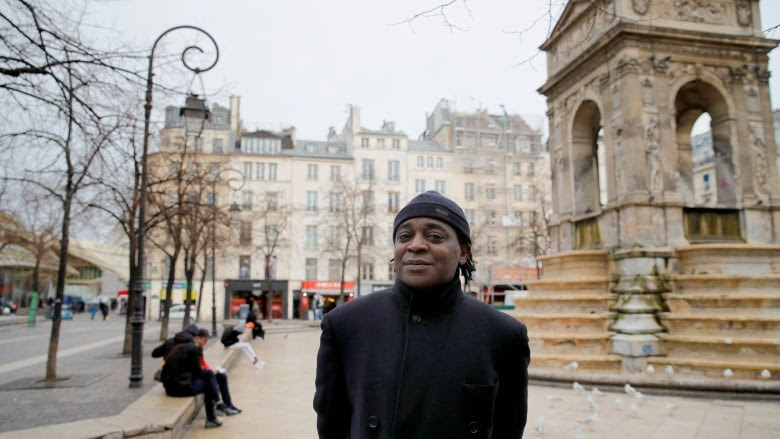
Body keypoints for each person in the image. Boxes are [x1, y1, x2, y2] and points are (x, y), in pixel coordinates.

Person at [313, 190, 531, 438]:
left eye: (435, 236)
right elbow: (331, 426)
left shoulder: (504, 335)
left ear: (463, 252)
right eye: (404, 236)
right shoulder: (344, 325)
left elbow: (508, 428)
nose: (415, 245)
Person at [153, 324, 223, 428]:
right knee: (208, 382)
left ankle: (218, 403)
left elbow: (154, 354)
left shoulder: (170, 342)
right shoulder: (193, 348)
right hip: (182, 388)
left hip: (168, 387)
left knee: (208, 375)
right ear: (195, 337)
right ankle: (212, 418)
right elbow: (197, 372)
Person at [193, 328, 242, 416]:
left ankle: (228, 404)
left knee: (222, 376)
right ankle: (218, 405)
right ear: (197, 338)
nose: (205, 343)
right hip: (195, 376)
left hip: (201, 372)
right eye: (204, 340)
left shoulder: (198, 348)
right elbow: (196, 369)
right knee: (211, 380)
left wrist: (211, 370)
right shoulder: (193, 349)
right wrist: (209, 371)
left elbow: (202, 363)